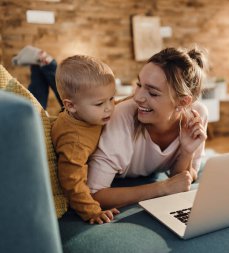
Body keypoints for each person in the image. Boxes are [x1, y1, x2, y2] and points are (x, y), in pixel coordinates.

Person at [87, 47, 209, 209]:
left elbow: (182, 180)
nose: (137, 97)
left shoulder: (196, 115)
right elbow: (95, 193)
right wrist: (162, 188)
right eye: (139, 84)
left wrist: (187, 152)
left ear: (183, 102)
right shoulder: (122, 115)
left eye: (153, 93)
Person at [51, 55, 120, 224]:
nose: (109, 108)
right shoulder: (74, 141)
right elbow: (71, 181)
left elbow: (115, 106)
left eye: (112, 98)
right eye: (99, 104)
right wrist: (92, 212)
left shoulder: (88, 114)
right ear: (71, 106)